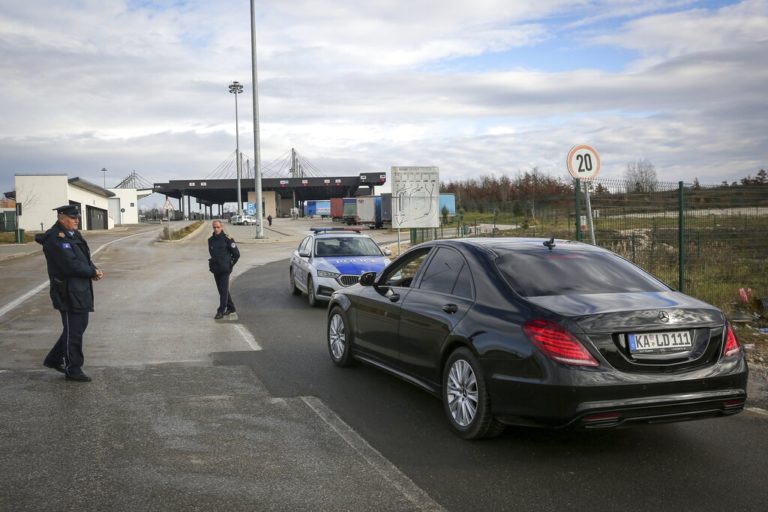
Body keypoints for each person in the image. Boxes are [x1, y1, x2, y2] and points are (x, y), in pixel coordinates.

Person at [35, 205, 104, 382]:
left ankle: (54, 359)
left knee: (78, 327)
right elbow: (69, 265)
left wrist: (93, 269)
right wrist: (91, 272)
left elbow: (83, 259)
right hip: (66, 291)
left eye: (77, 217)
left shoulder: (73, 234)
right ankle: (73, 369)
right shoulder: (56, 238)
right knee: (73, 330)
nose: (77, 220)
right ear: (61, 217)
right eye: (73, 218)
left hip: (79, 289)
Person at [208, 219, 240, 319]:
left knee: (223, 290)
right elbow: (212, 254)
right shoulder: (210, 240)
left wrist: (230, 264)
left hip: (225, 269)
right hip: (216, 269)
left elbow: (237, 254)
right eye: (214, 227)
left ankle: (221, 311)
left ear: (222, 227)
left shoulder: (228, 239)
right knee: (222, 290)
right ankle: (231, 308)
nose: (216, 229)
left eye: (218, 227)